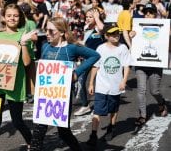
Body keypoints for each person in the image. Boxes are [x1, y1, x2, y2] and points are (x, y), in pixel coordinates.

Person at [30, 17, 100, 151]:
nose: (47, 34)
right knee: (38, 132)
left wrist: (76, 73)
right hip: (45, 95)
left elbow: (94, 56)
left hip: (62, 96)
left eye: (51, 31)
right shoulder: (45, 46)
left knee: (63, 132)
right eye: (46, 30)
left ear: (62, 32)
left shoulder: (71, 48)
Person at [0, 3, 36, 151]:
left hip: (15, 86)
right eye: (9, 15)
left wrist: (23, 43)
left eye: (15, 15)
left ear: (20, 17)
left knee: (17, 121)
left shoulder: (23, 35)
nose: (12, 18)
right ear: (3, 17)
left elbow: (27, 62)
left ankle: (32, 142)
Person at [86, 25, 131, 146]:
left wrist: (124, 81)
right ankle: (93, 135)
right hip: (101, 85)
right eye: (112, 34)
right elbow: (96, 66)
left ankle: (111, 127)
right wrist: (91, 83)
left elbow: (126, 66)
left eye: (117, 33)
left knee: (114, 109)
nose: (116, 35)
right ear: (106, 36)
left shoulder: (123, 48)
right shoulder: (101, 48)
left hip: (116, 85)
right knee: (97, 110)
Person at [132, 3, 168, 127]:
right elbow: (132, 42)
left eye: (151, 13)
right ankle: (142, 115)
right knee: (141, 90)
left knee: (154, 91)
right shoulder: (137, 27)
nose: (148, 15)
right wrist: (131, 35)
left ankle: (161, 102)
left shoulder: (164, 27)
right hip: (140, 64)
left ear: (155, 14)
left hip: (155, 64)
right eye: (146, 13)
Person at [74, 8, 105, 116]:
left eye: (90, 17)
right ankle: (85, 105)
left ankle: (102, 105)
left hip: (100, 59)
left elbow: (102, 28)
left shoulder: (98, 27)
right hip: (88, 59)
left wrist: (96, 17)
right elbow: (85, 43)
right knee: (80, 79)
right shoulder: (86, 28)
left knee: (101, 83)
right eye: (86, 16)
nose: (87, 19)